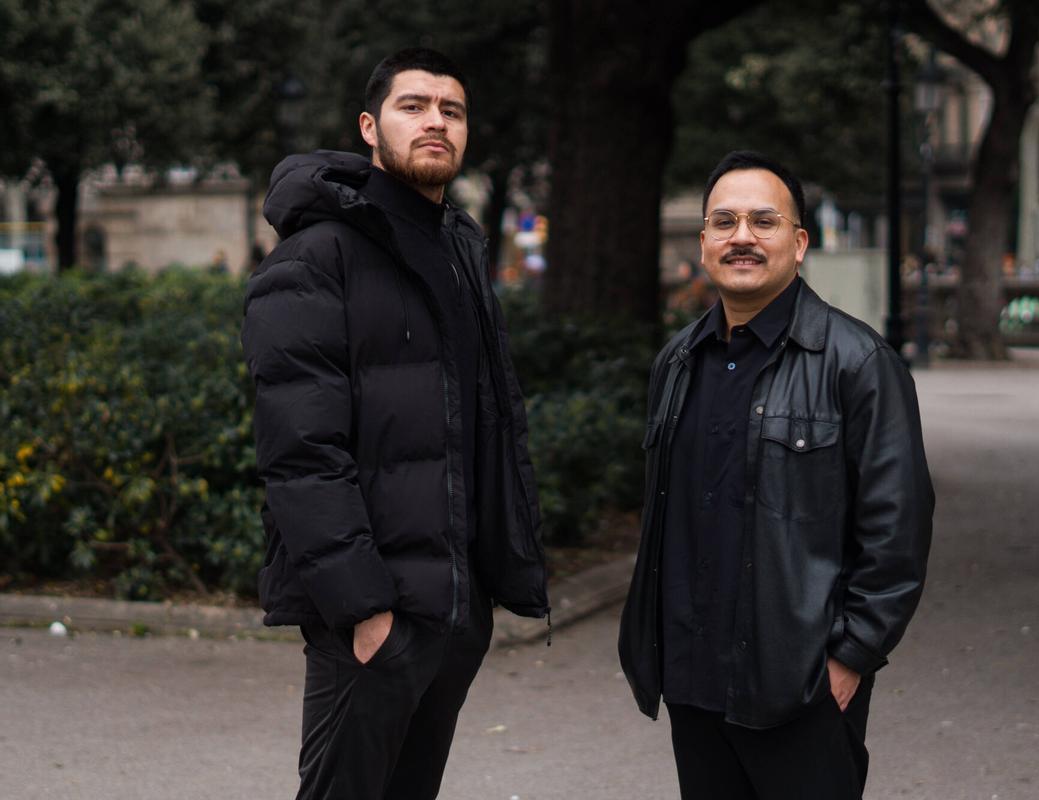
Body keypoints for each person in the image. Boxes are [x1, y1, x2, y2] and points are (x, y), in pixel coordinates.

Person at [240, 48, 548, 800]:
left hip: (453, 612)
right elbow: (302, 454)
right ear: (370, 128)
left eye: (452, 109)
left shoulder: (460, 252)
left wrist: (487, 589)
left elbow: (487, 426)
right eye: (415, 106)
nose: (436, 121)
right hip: (372, 620)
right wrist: (364, 608)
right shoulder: (314, 259)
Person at [618, 151, 935, 800]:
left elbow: (896, 533)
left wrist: (849, 659)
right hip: (692, 684)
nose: (742, 237)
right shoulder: (677, 362)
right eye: (725, 221)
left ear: (799, 243)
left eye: (764, 221)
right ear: (704, 242)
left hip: (800, 689)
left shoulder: (858, 363)